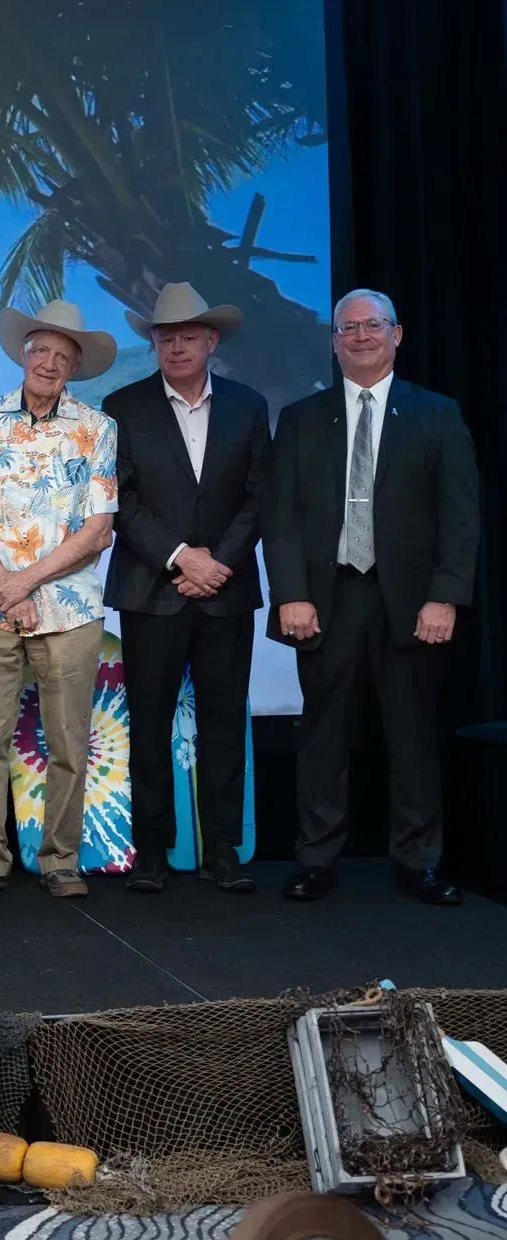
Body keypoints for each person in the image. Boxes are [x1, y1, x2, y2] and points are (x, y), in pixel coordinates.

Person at [263, 289, 480, 905]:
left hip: (410, 601)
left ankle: (419, 862)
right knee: (322, 737)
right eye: (347, 328)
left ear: (397, 335)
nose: (360, 336)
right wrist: (291, 595)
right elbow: (280, 517)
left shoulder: (437, 414)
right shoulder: (303, 418)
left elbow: (460, 517)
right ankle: (317, 859)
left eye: (372, 325)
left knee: (412, 737)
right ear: (333, 341)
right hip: (326, 598)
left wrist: (445, 598)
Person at [0, 301, 118, 900]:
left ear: (74, 366)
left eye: (61, 355)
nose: (48, 362)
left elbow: (98, 529)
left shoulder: (97, 429)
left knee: (69, 740)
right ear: (24, 355)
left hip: (69, 610)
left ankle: (60, 859)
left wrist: (26, 583)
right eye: (40, 350)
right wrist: (4, 585)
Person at [104, 283, 270, 895]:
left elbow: (260, 494)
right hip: (152, 590)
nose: (175, 346)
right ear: (153, 344)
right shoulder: (121, 406)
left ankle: (223, 849)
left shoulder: (249, 406)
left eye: (187, 337)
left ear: (211, 341)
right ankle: (151, 852)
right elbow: (118, 499)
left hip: (225, 589)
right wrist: (179, 557)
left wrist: (216, 562)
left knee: (225, 721)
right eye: (164, 337)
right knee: (147, 722)